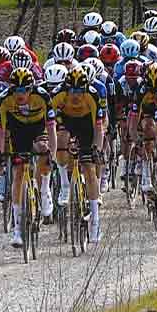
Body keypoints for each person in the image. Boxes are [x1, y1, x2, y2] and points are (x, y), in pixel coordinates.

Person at [49, 66, 108, 243]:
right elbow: (49, 121)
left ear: (85, 88)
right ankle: (65, 185)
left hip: (87, 126)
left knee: (90, 169)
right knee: (61, 139)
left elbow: (99, 128)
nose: (75, 95)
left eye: (79, 91)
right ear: (67, 87)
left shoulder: (92, 96)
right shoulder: (59, 93)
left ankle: (95, 222)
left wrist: (96, 149)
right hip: (66, 121)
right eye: (72, 90)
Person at [0, 67, 53, 249]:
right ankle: (17, 228)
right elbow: (0, 131)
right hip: (18, 130)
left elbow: (51, 129)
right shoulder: (5, 99)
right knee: (19, 171)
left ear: (31, 88)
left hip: (38, 128)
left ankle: (44, 191)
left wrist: (51, 152)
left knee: (43, 150)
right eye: (17, 90)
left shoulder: (43, 96)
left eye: (25, 90)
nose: (21, 94)